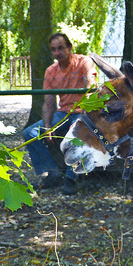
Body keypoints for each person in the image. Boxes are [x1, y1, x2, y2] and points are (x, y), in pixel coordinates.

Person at [23, 33, 97, 195]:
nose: (57, 53)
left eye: (61, 48)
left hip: (84, 112)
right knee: (30, 132)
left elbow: (90, 92)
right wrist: (48, 126)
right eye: (53, 50)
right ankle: (53, 172)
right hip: (63, 113)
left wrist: (81, 120)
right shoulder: (51, 71)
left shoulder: (84, 62)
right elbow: (48, 102)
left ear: (70, 48)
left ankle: (71, 179)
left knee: (78, 132)